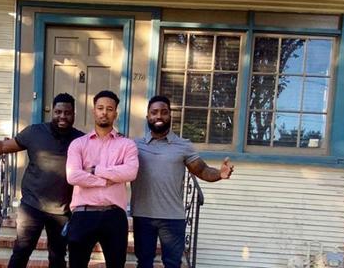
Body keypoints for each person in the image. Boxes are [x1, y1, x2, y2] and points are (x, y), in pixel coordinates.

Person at [0, 93, 84, 268]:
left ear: (74, 114)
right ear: (52, 112)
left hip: (62, 210)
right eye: (58, 111)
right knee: (21, 252)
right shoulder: (35, 132)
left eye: (67, 112)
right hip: (32, 206)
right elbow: (3, 146)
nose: (62, 116)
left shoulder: (81, 140)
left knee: (57, 258)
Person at [131, 95, 234, 268]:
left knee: (172, 264)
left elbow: (201, 170)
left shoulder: (183, 145)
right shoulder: (134, 145)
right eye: (154, 112)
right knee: (144, 263)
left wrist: (219, 174)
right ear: (147, 116)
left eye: (164, 112)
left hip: (172, 218)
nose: (159, 116)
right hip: (143, 216)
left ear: (170, 116)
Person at [65, 90, 139, 268]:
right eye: (100, 108)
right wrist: (106, 180)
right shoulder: (79, 144)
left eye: (109, 109)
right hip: (83, 214)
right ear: (94, 111)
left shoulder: (127, 144)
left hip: (113, 214)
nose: (104, 112)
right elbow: (73, 175)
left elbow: (130, 172)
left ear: (115, 113)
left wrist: (95, 170)